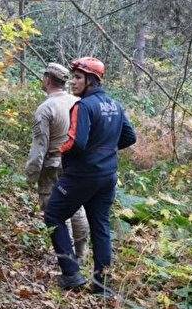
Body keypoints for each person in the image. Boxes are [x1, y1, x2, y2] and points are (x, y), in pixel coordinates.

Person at [43, 57, 136, 295]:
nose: (73, 82)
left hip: (81, 175)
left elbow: (77, 142)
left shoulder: (83, 106)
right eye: (73, 77)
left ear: (91, 81)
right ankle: (102, 285)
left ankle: (71, 273)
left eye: (78, 77)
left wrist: (58, 150)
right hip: (107, 175)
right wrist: (105, 149)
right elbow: (130, 137)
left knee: (53, 214)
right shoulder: (115, 105)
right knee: (100, 225)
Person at [24, 63, 89, 261]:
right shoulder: (78, 102)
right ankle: (81, 253)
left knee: (55, 210)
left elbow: (39, 146)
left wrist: (32, 174)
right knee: (76, 206)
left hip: (53, 165)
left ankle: (66, 256)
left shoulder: (46, 108)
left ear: (47, 79)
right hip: (76, 164)